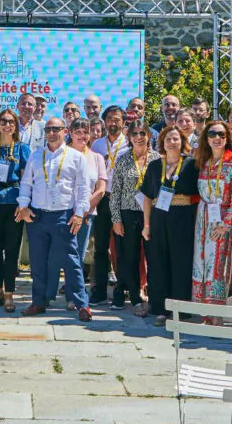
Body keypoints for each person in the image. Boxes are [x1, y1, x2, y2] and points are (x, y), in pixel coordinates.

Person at [15, 117, 92, 321]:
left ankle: (82, 304)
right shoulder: (35, 155)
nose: (51, 132)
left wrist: (79, 213)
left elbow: (83, 188)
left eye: (56, 129)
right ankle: (38, 302)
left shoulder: (76, 157)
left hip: (63, 216)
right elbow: (26, 184)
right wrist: (23, 207)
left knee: (71, 261)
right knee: (38, 262)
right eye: (48, 129)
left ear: (65, 132)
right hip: (37, 216)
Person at [141, 126, 199, 326]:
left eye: (175, 139)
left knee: (181, 262)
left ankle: (180, 309)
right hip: (158, 218)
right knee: (158, 262)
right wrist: (146, 225)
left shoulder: (192, 165)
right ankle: (160, 308)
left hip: (183, 218)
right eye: (168, 139)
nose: (172, 142)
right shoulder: (154, 166)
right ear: (162, 143)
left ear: (182, 141)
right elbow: (147, 197)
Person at [192, 120, 232, 319]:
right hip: (202, 218)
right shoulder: (204, 161)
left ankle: (216, 315)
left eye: (221, 135)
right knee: (200, 262)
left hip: (222, 220)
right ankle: (202, 312)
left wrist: (226, 224)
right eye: (212, 134)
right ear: (206, 138)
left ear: (227, 138)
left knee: (217, 265)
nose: (217, 138)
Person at [51, 118, 106, 310]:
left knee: (77, 256)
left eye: (86, 132)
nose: (83, 136)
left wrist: (82, 210)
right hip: (61, 212)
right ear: (70, 134)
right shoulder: (61, 154)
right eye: (78, 132)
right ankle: (52, 293)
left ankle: (74, 296)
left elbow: (100, 189)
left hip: (85, 214)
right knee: (60, 255)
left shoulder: (97, 158)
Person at [110, 119, 158, 316]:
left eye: (142, 133)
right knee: (129, 257)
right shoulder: (123, 159)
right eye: (135, 134)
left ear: (149, 136)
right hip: (128, 214)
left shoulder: (157, 159)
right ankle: (135, 299)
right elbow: (115, 192)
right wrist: (116, 219)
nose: (139, 137)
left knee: (154, 257)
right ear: (129, 137)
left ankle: (155, 298)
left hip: (152, 215)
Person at [0, 109, 30, 313]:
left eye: (11, 122)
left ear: (16, 126)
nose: (7, 125)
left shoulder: (22, 148)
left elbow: (27, 178)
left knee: (11, 250)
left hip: (14, 204)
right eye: (3, 121)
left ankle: (9, 292)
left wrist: (24, 205)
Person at [89, 105, 129, 306]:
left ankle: (121, 292)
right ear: (104, 121)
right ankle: (99, 291)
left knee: (121, 248)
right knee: (100, 247)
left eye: (117, 119)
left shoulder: (129, 143)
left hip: (122, 199)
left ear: (124, 122)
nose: (113, 123)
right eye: (110, 119)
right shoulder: (97, 144)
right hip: (103, 198)